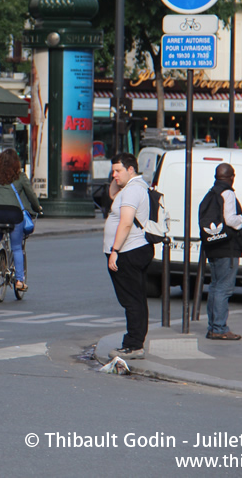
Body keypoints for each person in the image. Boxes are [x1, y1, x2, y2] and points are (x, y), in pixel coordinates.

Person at [104, 152, 154, 361]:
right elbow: (113, 195)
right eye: (113, 171)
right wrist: (116, 179)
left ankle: (134, 345)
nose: (114, 175)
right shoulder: (131, 187)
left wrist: (115, 251)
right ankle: (135, 342)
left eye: (118, 170)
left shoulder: (133, 190)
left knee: (132, 300)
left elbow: (125, 222)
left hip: (128, 251)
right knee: (135, 298)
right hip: (133, 249)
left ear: (131, 169)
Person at [202, 163, 242, 341]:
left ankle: (213, 327)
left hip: (213, 246)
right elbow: (231, 220)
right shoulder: (228, 193)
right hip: (227, 248)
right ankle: (219, 328)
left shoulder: (212, 193)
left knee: (216, 287)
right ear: (232, 177)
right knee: (224, 289)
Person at [0, 148, 41, 292]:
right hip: (14, 214)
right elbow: (31, 195)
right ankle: (20, 281)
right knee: (16, 247)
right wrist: (37, 207)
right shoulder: (20, 176)